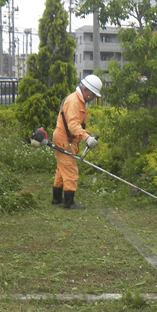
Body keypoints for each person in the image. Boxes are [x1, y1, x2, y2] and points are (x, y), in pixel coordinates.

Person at [51, 74, 103, 210]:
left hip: (68, 139)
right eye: (92, 96)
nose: (92, 99)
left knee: (62, 169)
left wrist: (85, 136)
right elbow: (73, 125)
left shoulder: (81, 101)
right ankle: (69, 203)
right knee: (70, 170)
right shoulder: (74, 101)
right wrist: (86, 137)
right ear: (85, 90)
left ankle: (57, 199)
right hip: (64, 139)